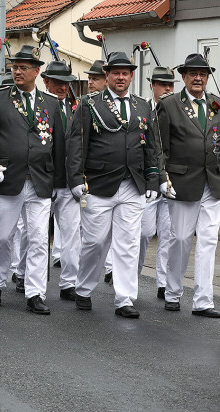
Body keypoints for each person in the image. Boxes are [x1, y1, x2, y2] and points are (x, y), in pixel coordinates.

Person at [68, 51, 158, 319]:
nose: (121, 77)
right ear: (107, 75)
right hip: (98, 184)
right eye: (116, 72)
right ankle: (83, 289)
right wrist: (75, 179)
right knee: (94, 242)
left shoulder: (143, 106)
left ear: (132, 76)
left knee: (129, 242)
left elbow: (151, 146)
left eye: (126, 73)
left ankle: (124, 298)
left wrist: (153, 177)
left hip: (132, 185)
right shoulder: (89, 104)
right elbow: (76, 145)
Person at [0, 45, 66, 315]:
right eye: (14, 67)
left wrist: (60, 184)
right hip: (8, 178)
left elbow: (59, 147)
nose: (17, 71)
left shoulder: (51, 103)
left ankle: (35, 292)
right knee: (3, 236)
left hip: (40, 181)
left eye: (23, 67)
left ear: (37, 72)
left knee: (39, 239)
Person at [156, 53, 220, 318]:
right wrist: (161, 177)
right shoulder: (169, 105)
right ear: (183, 76)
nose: (198, 78)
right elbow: (159, 146)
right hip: (181, 181)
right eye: (193, 73)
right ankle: (172, 292)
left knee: (208, 240)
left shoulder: (217, 103)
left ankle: (203, 300)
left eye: (202, 74)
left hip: (213, 182)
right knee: (181, 238)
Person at [40, 60, 81, 302]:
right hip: (43, 180)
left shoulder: (75, 108)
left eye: (66, 83)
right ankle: (25, 275)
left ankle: (69, 283)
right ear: (46, 82)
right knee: (34, 234)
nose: (62, 87)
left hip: (68, 180)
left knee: (71, 234)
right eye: (57, 82)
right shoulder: (39, 106)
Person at [139, 67, 176, 300]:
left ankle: (164, 283)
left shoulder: (178, 111)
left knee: (168, 235)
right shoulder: (142, 110)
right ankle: (131, 275)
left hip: (172, 180)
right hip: (148, 181)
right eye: (162, 84)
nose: (167, 89)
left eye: (170, 85)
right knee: (143, 232)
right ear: (152, 86)